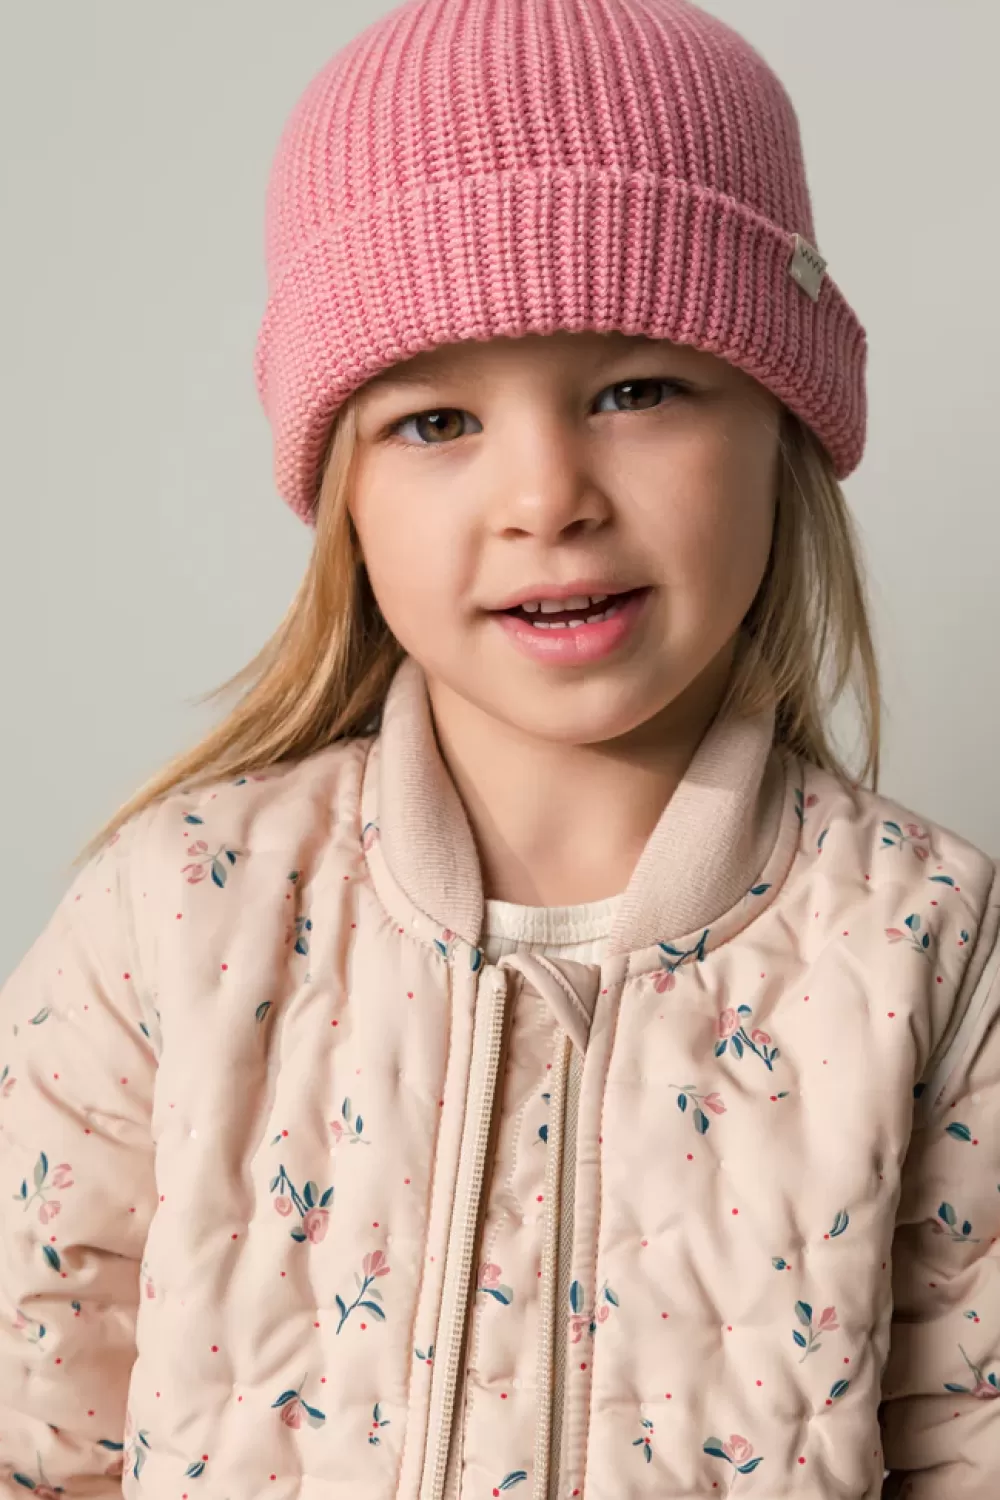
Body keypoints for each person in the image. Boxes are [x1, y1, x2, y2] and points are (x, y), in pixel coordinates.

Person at [1, 0, 996, 1495]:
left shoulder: (931, 948)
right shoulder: (176, 919)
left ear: (784, 421)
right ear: (341, 490)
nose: (547, 498)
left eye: (636, 391)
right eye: (436, 421)